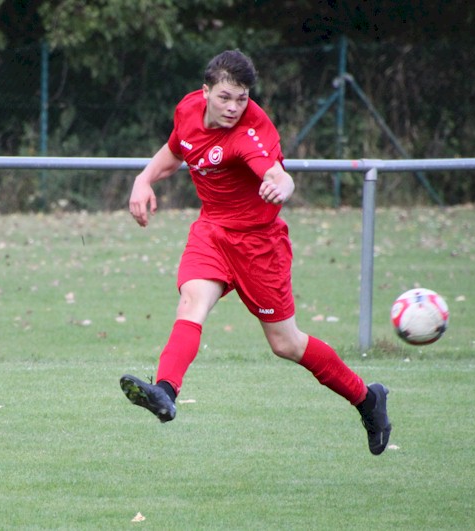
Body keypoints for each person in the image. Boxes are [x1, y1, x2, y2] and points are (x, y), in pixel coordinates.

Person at [119, 50, 391, 455]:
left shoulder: (252, 131)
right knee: (191, 303)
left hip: (259, 244)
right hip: (212, 231)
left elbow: (276, 172)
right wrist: (144, 179)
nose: (233, 107)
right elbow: (176, 150)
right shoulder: (188, 110)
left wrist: (282, 185)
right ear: (206, 91)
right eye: (226, 97)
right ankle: (165, 392)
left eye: (242, 98)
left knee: (286, 344)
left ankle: (367, 399)